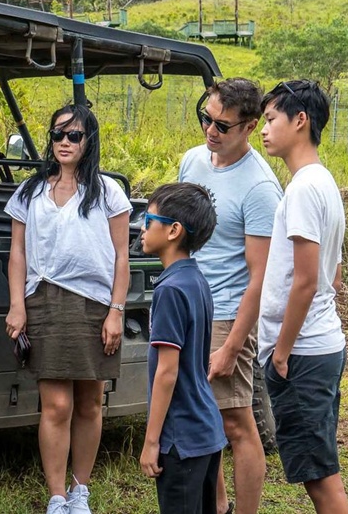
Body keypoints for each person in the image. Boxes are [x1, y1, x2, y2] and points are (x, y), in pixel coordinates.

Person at [4, 104, 131, 514]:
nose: (64, 142)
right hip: (43, 300)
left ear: (88, 140)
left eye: (73, 136)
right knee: (56, 405)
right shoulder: (30, 191)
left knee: (91, 402)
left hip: (94, 304)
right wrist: (16, 305)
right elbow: (17, 253)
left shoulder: (108, 191)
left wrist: (116, 310)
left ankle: (81, 492)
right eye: (58, 134)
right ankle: (57, 496)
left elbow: (121, 256)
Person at [178, 78, 282, 514]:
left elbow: (260, 279)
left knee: (236, 423)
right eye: (206, 118)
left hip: (226, 315)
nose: (210, 131)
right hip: (190, 308)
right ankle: (218, 505)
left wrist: (232, 346)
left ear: (249, 125)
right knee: (204, 418)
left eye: (222, 125)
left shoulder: (260, 187)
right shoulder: (192, 161)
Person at [258, 80, 348, 514]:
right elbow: (332, 272)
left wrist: (282, 351)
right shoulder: (323, 182)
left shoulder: (301, 189)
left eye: (272, 119)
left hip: (303, 352)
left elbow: (307, 279)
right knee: (319, 470)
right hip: (319, 345)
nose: (264, 129)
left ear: (300, 121)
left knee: (320, 478)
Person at [139, 182, 227, 514]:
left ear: (174, 230)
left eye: (149, 220)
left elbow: (167, 372)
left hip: (180, 440)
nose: (141, 228)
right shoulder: (195, 280)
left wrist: (151, 442)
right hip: (205, 430)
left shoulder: (170, 290)